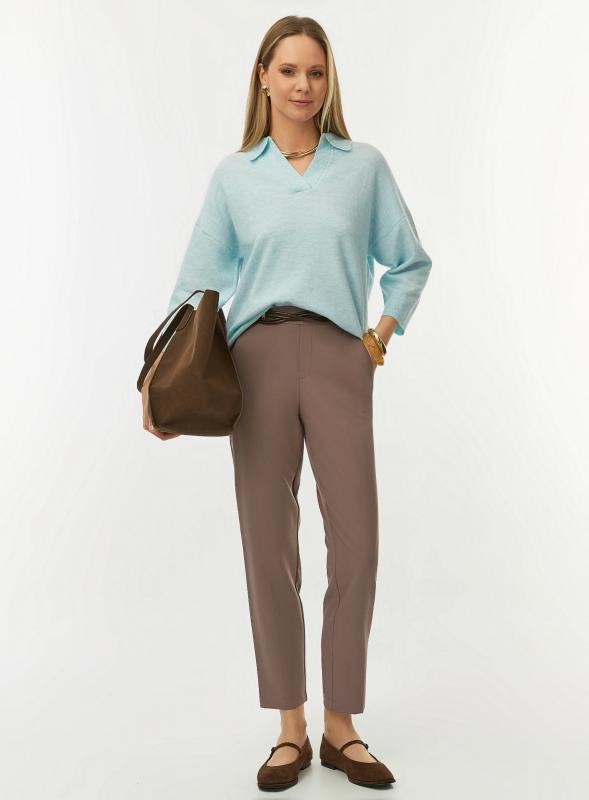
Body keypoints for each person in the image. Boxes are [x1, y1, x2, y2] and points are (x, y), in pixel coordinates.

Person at [146, 15, 433, 791]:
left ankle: (342, 727)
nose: (302, 85)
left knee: (357, 543)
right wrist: (161, 389)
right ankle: (289, 728)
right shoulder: (235, 176)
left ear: (327, 80)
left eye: (315, 71)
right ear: (262, 78)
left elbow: (408, 262)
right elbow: (196, 285)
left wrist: (377, 338)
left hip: (341, 356)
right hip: (257, 360)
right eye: (288, 70)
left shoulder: (361, 167)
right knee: (268, 547)